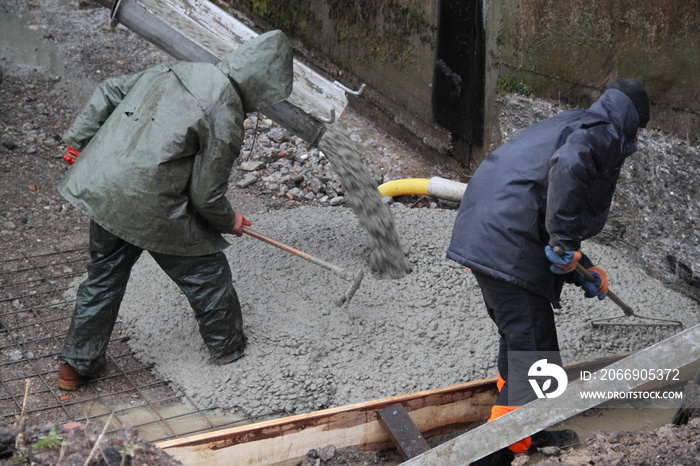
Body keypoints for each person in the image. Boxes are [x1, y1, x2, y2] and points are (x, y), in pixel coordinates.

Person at [56, 30, 294, 390]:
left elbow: (109, 89)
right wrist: (230, 221)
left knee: (103, 277)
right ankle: (230, 353)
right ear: (262, 86)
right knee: (209, 276)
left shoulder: (177, 69)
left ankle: (74, 367)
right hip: (153, 204)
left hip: (106, 186)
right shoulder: (226, 110)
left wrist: (79, 139)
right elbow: (205, 195)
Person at [447, 79, 650, 465]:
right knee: (537, 360)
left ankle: (532, 430)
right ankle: (492, 454)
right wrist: (565, 243)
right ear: (632, 123)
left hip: (487, 234)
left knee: (522, 342)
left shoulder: (576, 122)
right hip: (505, 244)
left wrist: (582, 267)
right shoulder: (603, 133)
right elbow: (568, 168)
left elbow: (541, 201)